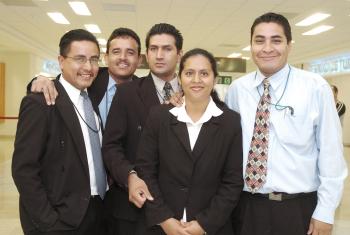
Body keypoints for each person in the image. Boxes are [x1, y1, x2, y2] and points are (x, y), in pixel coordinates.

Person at [225, 12, 347, 235]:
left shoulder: (314, 87)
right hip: (245, 206)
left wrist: (325, 211)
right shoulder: (237, 90)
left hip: (298, 208)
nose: (267, 48)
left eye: (277, 40)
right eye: (259, 40)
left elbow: (331, 154)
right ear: (251, 45)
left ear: (289, 45)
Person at [135, 48, 243, 235]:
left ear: (215, 79)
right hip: (161, 227)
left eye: (204, 73)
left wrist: (204, 224)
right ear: (180, 78)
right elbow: (146, 170)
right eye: (189, 73)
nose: (196, 80)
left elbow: (232, 182)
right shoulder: (159, 117)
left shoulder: (230, 122)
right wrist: (164, 218)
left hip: (212, 228)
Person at [12, 29, 107, 234]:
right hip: (60, 219)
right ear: (61, 61)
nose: (88, 67)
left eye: (93, 59)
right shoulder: (41, 103)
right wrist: (48, 222)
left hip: (97, 212)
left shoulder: (92, 96)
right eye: (79, 59)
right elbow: (24, 170)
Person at [102, 23, 183, 235]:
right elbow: (111, 146)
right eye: (153, 49)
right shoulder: (127, 93)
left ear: (179, 54)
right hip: (135, 209)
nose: (159, 55)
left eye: (167, 49)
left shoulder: (195, 93)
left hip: (181, 208)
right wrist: (129, 175)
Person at [29, 27, 141, 127]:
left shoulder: (144, 90)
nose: (123, 57)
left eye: (130, 53)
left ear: (139, 60)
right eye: (116, 52)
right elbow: (66, 82)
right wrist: (41, 81)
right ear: (106, 58)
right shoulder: (92, 79)